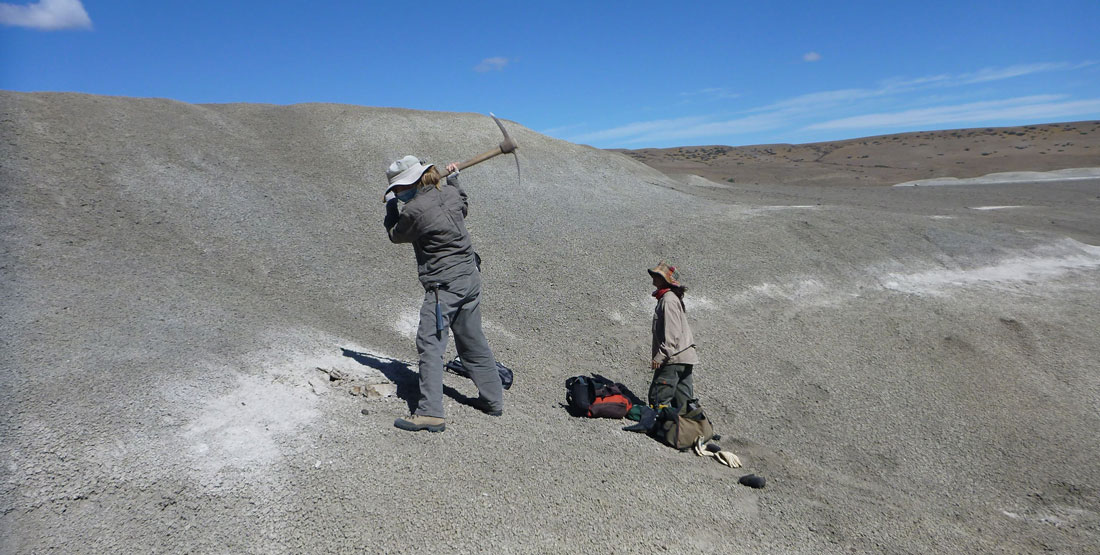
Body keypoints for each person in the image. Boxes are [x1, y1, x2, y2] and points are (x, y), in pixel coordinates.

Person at [383, 155, 503, 433]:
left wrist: (391, 208)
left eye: (398, 189)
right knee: (473, 340)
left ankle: (430, 413)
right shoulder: (448, 192)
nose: (399, 194)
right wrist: (455, 179)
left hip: (444, 286)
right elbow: (463, 204)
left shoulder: (414, 211)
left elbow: (395, 235)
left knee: (430, 344)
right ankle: (493, 400)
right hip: (469, 277)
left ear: (411, 182)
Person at [647, 261, 699, 410]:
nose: (654, 277)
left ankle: (659, 429)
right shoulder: (671, 298)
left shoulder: (668, 300)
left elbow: (672, 333)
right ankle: (694, 430)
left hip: (674, 358)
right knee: (684, 402)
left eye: (657, 275)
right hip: (685, 357)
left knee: (658, 398)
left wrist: (660, 355)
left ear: (665, 280)